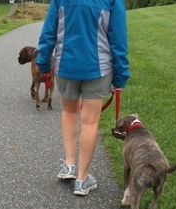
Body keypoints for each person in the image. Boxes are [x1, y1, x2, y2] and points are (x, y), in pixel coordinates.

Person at [36, 0, 130, 195]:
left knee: (69, 113)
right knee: (90, 122)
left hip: (66, 65)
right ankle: (82, 179)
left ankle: (69, 165)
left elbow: (48, 33)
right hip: (98, 68)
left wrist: (44, 63)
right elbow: (118, 39)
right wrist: (120, 75)